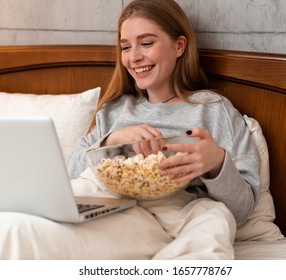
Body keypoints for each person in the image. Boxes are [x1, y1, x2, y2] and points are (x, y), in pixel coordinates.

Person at [68, 0, 261, 259]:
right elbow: (70, 171)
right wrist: (111, 141)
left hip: (176, 211)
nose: (134, 56)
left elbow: (243, 207)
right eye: (125, 46)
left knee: (217, 219)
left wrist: (216, 163)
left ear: (179, 45)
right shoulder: (115, 110)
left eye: (146, 43)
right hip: (112, 204)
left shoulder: (212, 109)